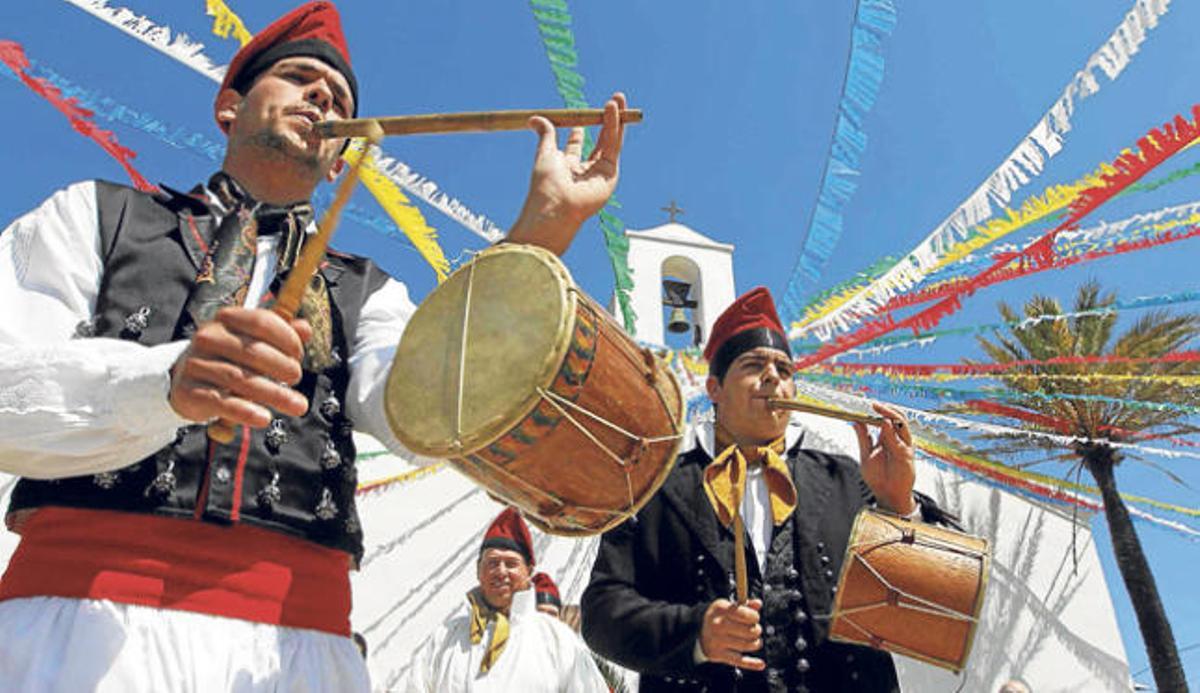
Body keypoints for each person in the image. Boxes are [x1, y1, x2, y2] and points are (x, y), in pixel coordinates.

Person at [0, 2, 627, 689]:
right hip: (74, 634)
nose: (324, 95)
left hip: (296, 657)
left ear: (339, 164)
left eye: (339, 98)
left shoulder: (368, 292)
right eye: (299, 77)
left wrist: (537, 234)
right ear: (229, 107)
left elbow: (423, 411)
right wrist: (165, 382)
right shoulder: (93, 215)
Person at [581, 286, 955, 692]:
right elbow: (601, 615)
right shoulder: (655, 490)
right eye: (753, 364)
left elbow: (930, 615)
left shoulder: (849, 480)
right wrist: (696, 634)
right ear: (714, 390)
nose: (773, 376)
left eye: (785, 370)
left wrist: (898, 503)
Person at [402, 508, 608, 692]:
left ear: (528, 572)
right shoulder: (446, 638)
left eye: (510, 564)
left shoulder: (557, 641)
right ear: (478, 571)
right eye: (492, 563)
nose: (501, 572)